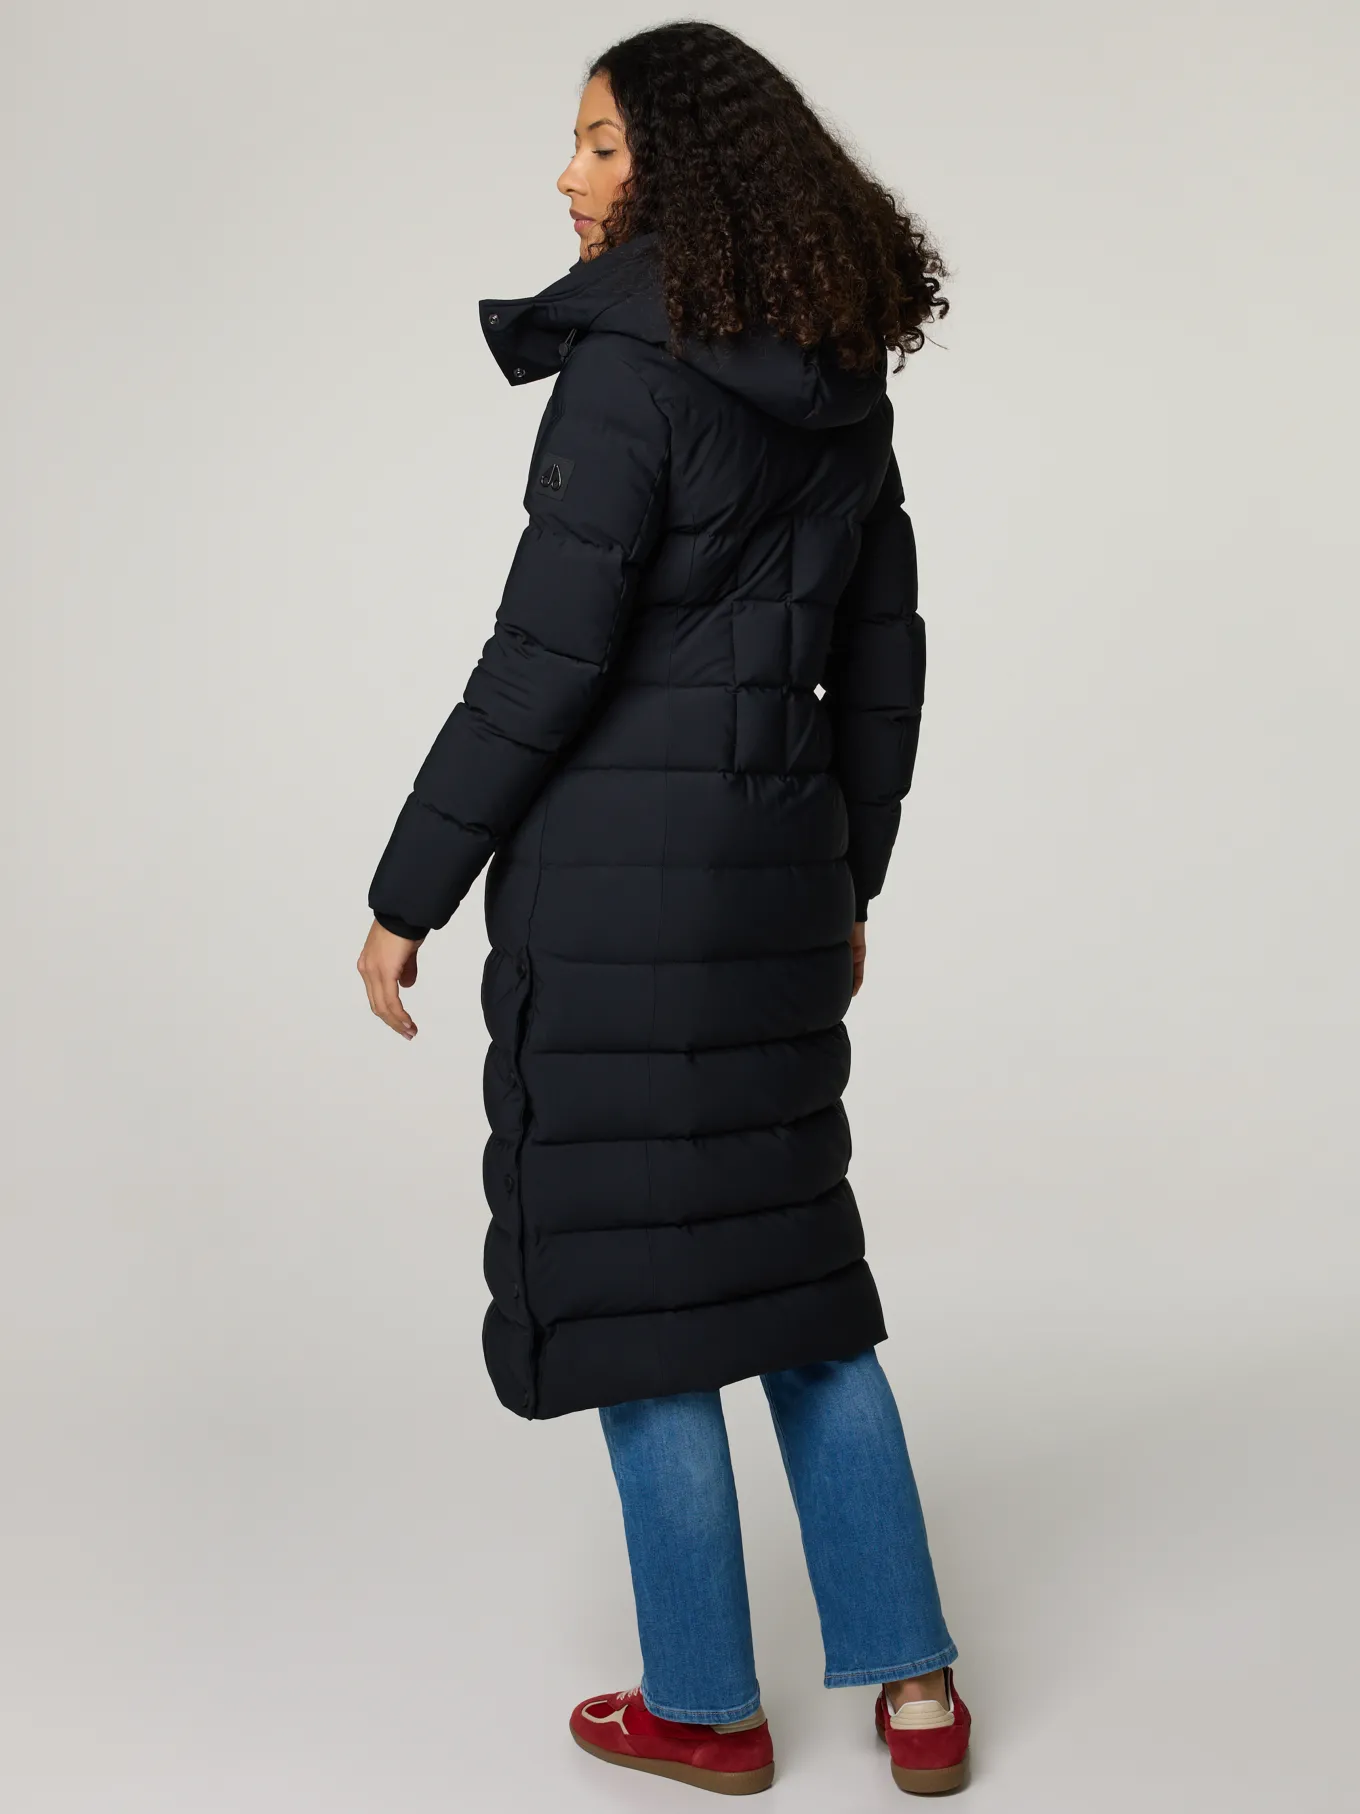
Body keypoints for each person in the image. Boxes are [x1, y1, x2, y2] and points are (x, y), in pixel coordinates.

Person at [357, 21, 966, 1798]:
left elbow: (542, 662)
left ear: (683, 170)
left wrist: (408, 888)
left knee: (641, 1294)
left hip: (616, 900)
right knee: (798, 1280)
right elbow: (882, 661)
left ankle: (704, 1702)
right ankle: (917, 1687)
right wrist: (851, 874)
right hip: (776, 884)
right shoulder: (844, 376)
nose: (569, 174)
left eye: (603, 144)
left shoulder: (629, 373)